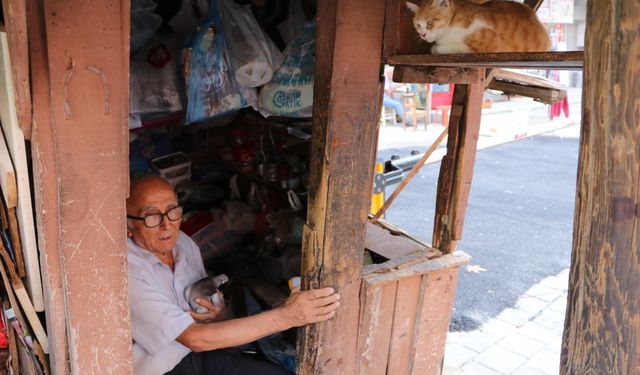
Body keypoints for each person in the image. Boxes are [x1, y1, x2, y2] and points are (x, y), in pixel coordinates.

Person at [126, 176, 341, 374]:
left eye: (172, 211)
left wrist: (217, 313)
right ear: (128, 225)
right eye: (151, 216)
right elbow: (194, 339)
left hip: (204, 355)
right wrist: (288, 316)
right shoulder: (125, 271)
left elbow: (205, 311)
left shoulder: (182, 242)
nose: (167, 225)